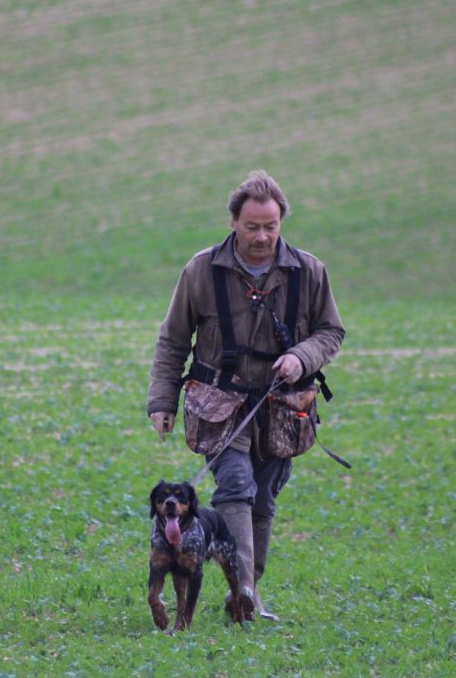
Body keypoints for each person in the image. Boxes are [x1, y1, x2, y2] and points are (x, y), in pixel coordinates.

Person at [147, 170, 345, 621]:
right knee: (235, 485)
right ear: (234, 222)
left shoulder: (309, 271)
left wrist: (302, 356)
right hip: (218, 404)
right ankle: (250, 597)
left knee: (264, 500)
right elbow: (173, 339)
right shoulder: (201, 270)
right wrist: (162, 402)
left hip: (283, 407)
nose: (261, 236)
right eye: (252, 226)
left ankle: (242, 591)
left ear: (281, 223)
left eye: (270, 226)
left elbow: (331, 330)